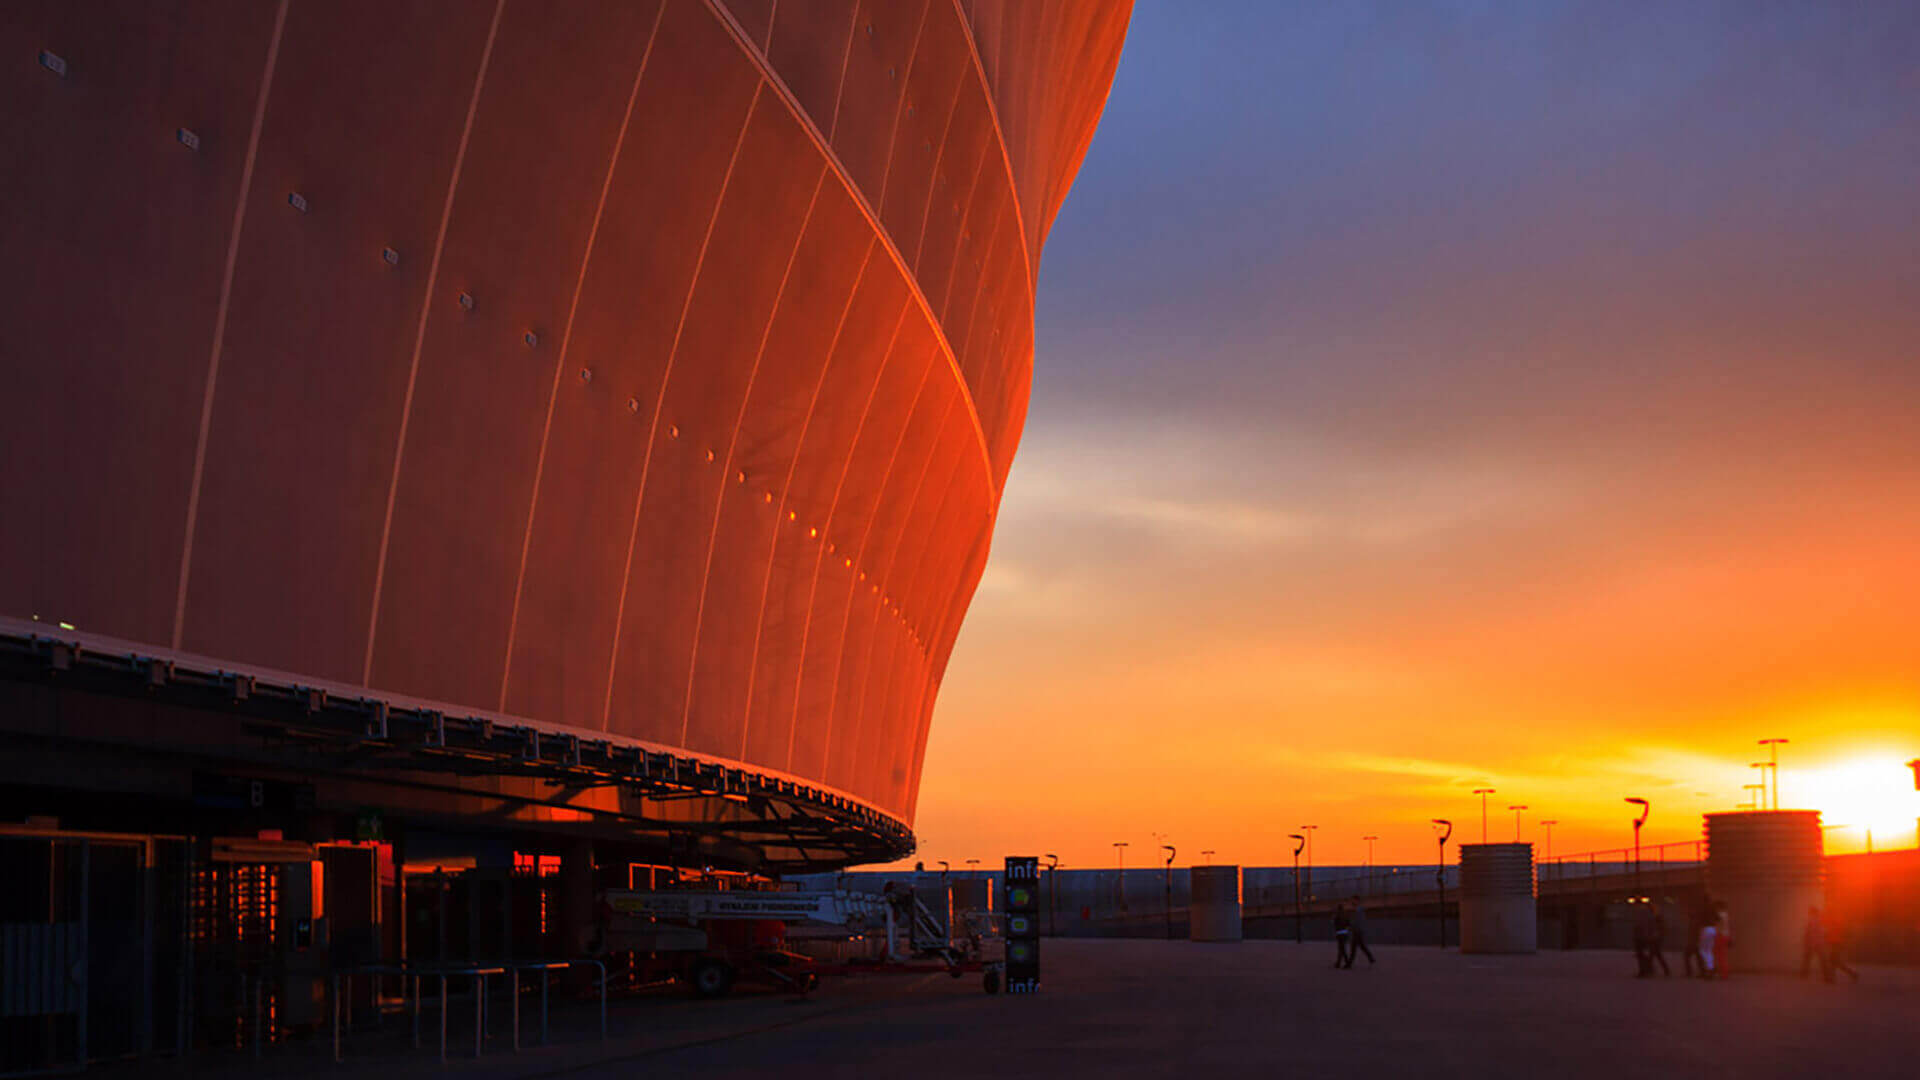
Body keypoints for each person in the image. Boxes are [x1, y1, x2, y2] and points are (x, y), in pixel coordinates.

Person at [1823, 909, 1859, 983]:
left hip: (1837, 944)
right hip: (1835, 944)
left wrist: (1828, 938)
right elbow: (1831, 934)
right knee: (1835, 962)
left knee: (1834, 961)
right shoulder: (1833, 923)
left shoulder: (1837, 922)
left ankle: (1832, 978)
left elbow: (1836, 934)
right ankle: (1852, 974)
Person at [1800, 906, 1828, 979]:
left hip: (1812, 942)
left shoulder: (1811, 921)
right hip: (1819, 942)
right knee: (1822, 959)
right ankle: (1826, 976)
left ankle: (1804, 974)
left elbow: (1808, 932)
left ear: (1812, 912)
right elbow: (1823, 931)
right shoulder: (1820, 920)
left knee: (1807, 959)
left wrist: (1806, 941)